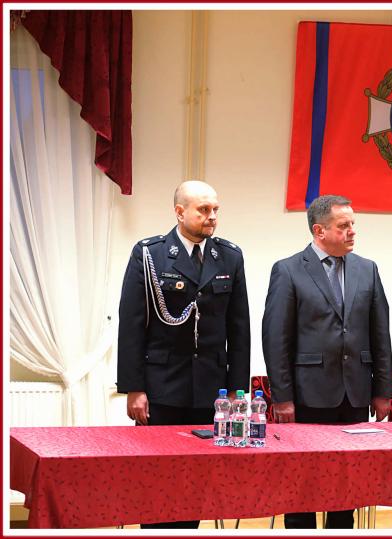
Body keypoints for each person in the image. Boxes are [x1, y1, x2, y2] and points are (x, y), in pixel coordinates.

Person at [117, 180, 250, 529]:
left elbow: (239, 329)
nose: (212, 216)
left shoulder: (230, 256)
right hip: (161, 386)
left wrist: (237, 390)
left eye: (215, 209)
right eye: (203, 210)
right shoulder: (151, 254)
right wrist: (133, 388)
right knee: (157, 477)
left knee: (196, 481)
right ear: (179, 212)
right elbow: (131, 324)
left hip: (211, 388)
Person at [262, 194, 392, 529]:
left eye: (353, 224)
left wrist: (382, 391)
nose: (352, 231)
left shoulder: (367, 269)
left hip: (355, 394)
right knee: (303, 483)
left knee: (345, 485)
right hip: (308, 395)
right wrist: (282, 397)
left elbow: (380, 334)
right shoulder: (288, 270)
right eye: (343, 225)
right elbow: (276, 339)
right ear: (319, 231)